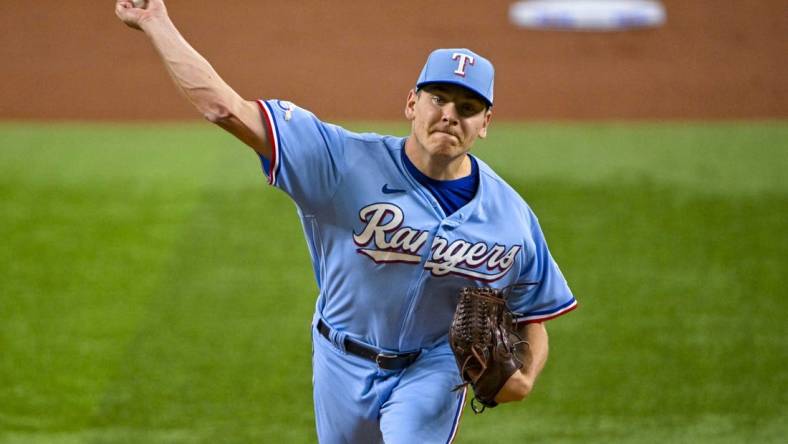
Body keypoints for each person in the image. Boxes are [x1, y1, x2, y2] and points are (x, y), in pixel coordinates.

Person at [115, 1, 577, 442]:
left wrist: (526, 377)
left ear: (485, 123)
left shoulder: (511, 218)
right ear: (412, 103)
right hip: (340, 357)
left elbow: (534, 311)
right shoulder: (340, 162)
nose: (449, 115)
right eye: (439, 98)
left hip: (433, 369)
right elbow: (225, 108)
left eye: (468, 108)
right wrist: (156, 22)